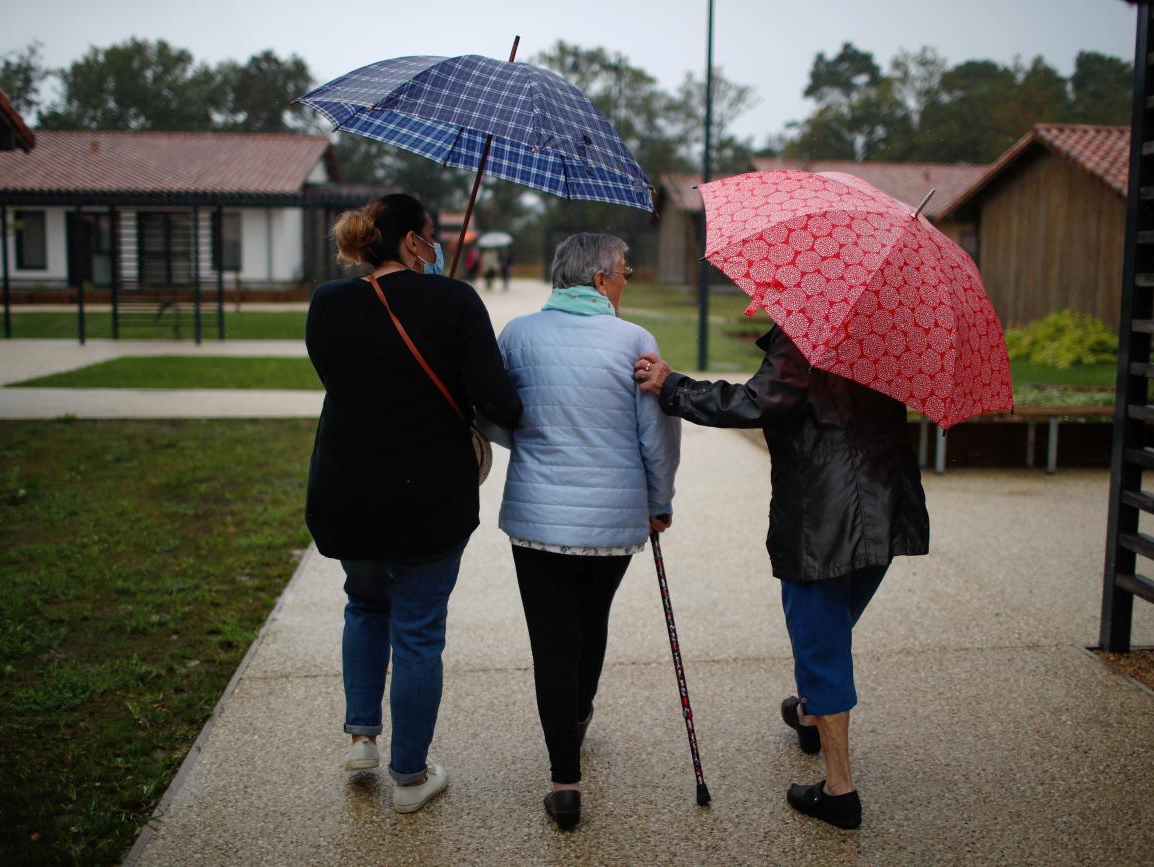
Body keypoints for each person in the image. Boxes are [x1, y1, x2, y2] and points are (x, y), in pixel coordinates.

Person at [634, 326, 928, 830]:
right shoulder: (886, 328)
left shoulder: (808, 332)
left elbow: (758, 402)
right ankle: (810, 715)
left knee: (822, 644)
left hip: (826, 515)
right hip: (887, 498)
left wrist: (673, 386)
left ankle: (839, 791)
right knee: (829, 630)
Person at [305, 193, 521, 814]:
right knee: (420, 633)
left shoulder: (327, 302)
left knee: (365, 604)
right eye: (431, 236)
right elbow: (498, 402)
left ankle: (362, 737)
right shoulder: (455, 300)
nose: (437, 247)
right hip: (429, 499)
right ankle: (409, 776)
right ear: (410, 240)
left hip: (346, 493)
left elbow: (344, 378)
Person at [488, 233, 681, 831]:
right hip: (614, 517)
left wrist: (533, 443)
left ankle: (564, 782)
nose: (628, 277)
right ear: (600, 280)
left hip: (536, 517)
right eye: (624, 269)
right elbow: (658, 435)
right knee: (590, 618)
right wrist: (661, 500)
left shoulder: (517, 334)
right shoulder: (634, 341)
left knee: (552, 640)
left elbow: (493, 414)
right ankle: (579, 713)